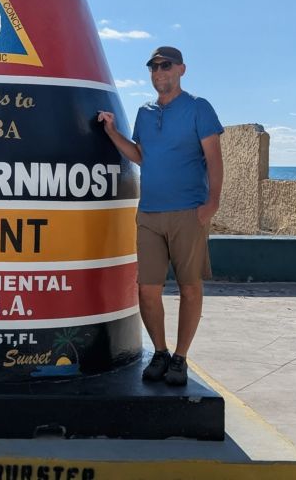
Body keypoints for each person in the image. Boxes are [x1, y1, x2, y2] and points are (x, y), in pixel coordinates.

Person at [98, 46, 223, 386]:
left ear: (181, 69)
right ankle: (161, 352)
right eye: (153, 68)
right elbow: (140, 156)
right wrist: (111, 133)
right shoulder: (144, 112)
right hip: (150, 213)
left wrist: (211, 204)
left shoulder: (198, 108)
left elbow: (213, 157)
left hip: (188, 212)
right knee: (147, 290)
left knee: (190, 287)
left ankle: (181, 358)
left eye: (165, 66)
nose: (159, 73)